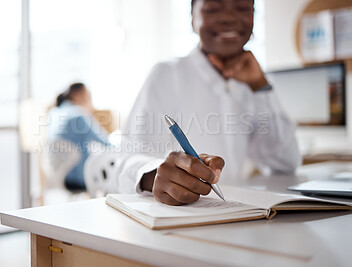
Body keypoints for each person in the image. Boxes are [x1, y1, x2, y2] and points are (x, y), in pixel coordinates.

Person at [89, 0, 301, 205]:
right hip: (180, 223)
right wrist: (153, 174)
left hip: (236, 217)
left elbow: (286, 163)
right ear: (192, 19)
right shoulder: (168, 75)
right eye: (212, 8)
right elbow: (123, 158)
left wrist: (260, 87)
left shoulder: (254, 83)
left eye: (242, 7)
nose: (228, 17)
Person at [47, 83, 110, 190]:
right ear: (76, 95)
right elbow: (105, 142)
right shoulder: (79, 116)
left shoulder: (53, 113)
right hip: (78, 178)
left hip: (56, 175)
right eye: (87, 96)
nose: (89, 101)